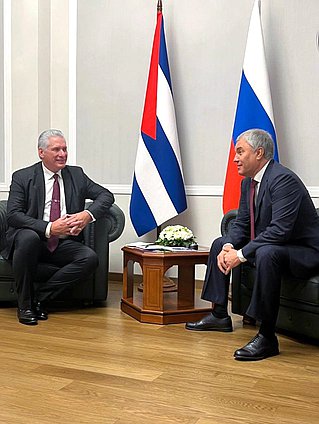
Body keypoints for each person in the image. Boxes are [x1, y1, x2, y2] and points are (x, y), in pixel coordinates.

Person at [186, 128, 319, 360]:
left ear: (259, 153)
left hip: (304, 251)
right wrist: (229, 246)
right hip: (278, 245)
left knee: (268, 253)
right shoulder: (248, 183)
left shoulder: (283, 179)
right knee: (219, 243)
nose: (235, 158)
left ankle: (267, 337)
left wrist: (241, 254)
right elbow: (242, 224)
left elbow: (280, 230)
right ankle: (219, 315)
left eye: (240, 152)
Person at [1, 129, 114, 325]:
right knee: (29, 237)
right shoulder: (22, 177)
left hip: (62, 243)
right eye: (56, 149)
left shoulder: (76, 175)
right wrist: (50, 228)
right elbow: (13, 216)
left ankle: (40, 298)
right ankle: (25, 306)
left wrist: (86, 215)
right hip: (32, 240)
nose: (62, 154)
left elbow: (106, 195)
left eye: (64, 149)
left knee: (89, 258)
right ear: (41, 152)